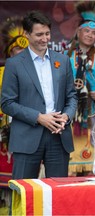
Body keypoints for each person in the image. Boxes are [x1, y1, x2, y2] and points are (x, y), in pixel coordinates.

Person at [0, 10, 77, 179]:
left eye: (47, 34)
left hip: (58, 136)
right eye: (39, 34)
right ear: (27, 34)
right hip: (27, 138)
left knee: (57, 196)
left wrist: (66, 116)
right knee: (24, 196)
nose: (45, 39)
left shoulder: (62, 60)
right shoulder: (14, 64)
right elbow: (7, 103)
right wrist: (39, 117)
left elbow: (71, 96)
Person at [63, 1, 95, 176]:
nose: (90, 35)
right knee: (70, 165)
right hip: (70, 114)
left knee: (93, 163)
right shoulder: (65, 56)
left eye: (94, 33)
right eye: (86, 31)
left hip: (93, 116)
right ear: (78, 32)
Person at [0, 15, 29, 214]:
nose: (19, 55)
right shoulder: (1, 72)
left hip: (28, 130)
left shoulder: (34, 75)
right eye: (16, 51)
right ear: (10, 54)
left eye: (23, 52)